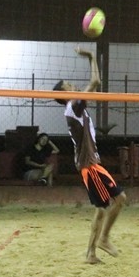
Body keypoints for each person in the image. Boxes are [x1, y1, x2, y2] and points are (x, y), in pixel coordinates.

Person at [53, 47, 126, 263]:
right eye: (68, 84)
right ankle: (103, 239)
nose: (73, 85)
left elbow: (95, 85)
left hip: (90, 164)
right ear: (65, 93)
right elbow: (95, 82)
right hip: (89, 165)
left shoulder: (76, 109)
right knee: (118, 199)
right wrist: (92, 57)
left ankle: (91, 254)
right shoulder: (73, 106)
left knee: (103, 207)